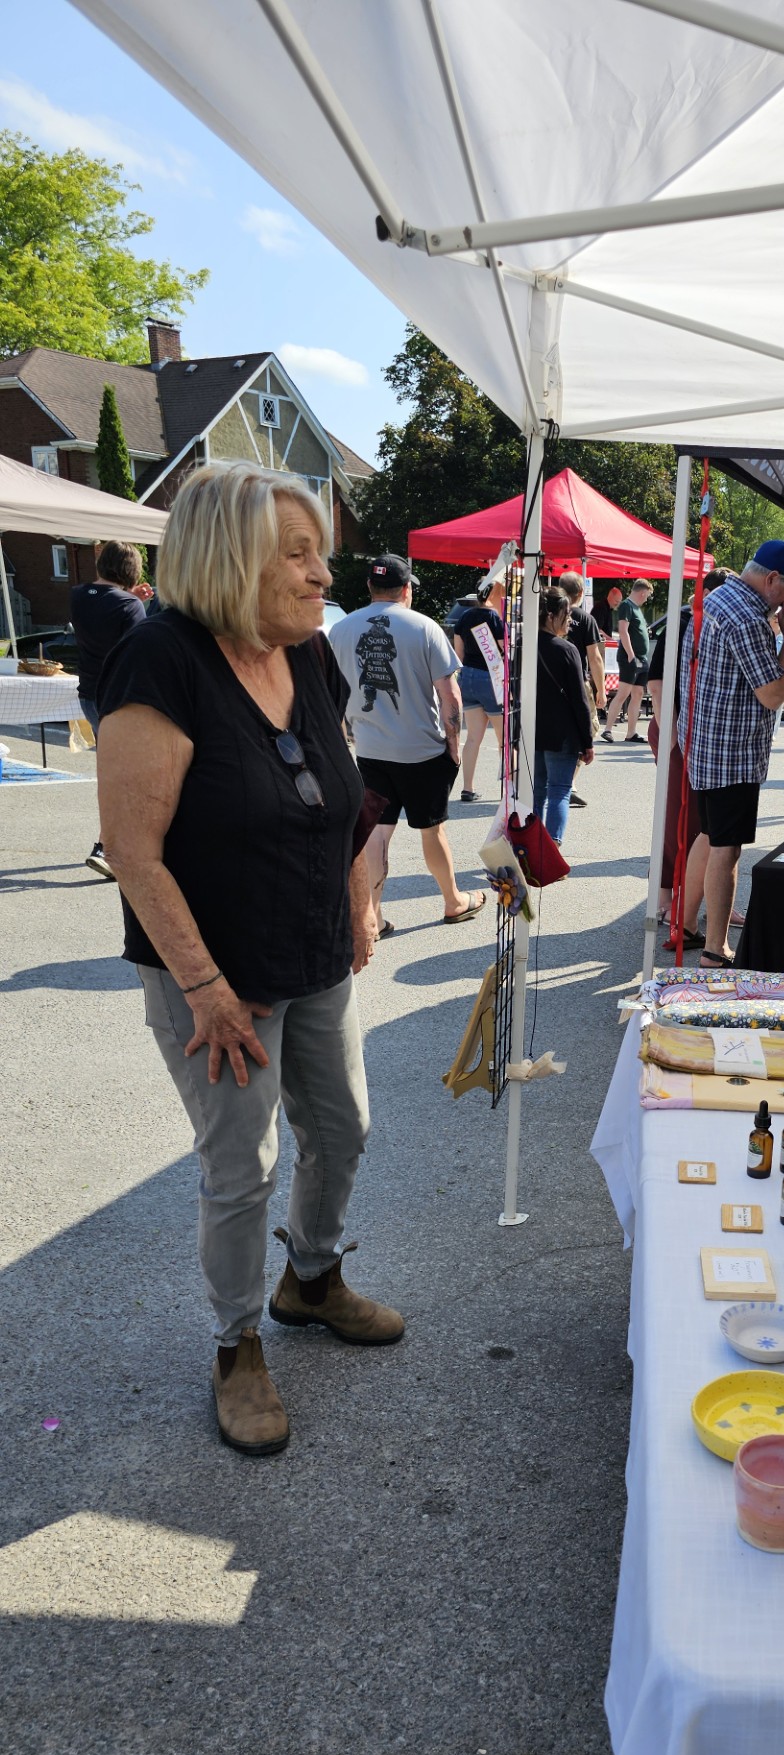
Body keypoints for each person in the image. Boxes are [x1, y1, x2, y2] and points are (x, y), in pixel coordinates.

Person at [96, 463, 399, 1457]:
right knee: (242, 1165)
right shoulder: (160, 663)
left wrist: (358, 901)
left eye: (322, 554)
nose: (323, 577)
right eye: (299, 556)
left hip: (311, 947)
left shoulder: (307, 654)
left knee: (344, 1126)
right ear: (231, 561)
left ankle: (310, 1280)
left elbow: (340, 794)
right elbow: (134, 853)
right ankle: (236, 1347)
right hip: (215, 975)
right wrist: (204, 987)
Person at [328, 555, 483, 930]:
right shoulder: (425, 628)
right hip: (421, 750)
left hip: (370, 750)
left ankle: (373, 917)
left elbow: (330, 694)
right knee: (431, 828)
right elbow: (451, 696)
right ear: (407, 588)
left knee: (378, 832)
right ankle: (453, 900)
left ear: (369, 587)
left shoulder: (340, 630)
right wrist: (454, 743)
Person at [678, 540, 784, 967]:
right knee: (727, 849)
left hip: (705, 744)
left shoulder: (719, 596)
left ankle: (687, 924)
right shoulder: (748, 617)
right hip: (730, 752)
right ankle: (716, 950)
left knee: (712, 838)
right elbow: (774, 694)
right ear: (772, 579)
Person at [648, 570, 728, 943]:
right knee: (680, 816)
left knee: (703, 819)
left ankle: (700, 901)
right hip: (677, 732)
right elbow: (659, 683)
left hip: (697, 734)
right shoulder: (681, 622)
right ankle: (668, 896)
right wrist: (672, 738)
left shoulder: (710, 623)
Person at [72, 541, 149, 880]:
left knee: (114, 770)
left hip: (89, 695)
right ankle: (108, 847)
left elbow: (105, 610)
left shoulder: (77, 595)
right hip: (119, 699)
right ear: (131, 572)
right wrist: (138, 603)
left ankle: (113, 845)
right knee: (125, 776)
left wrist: (135, 600)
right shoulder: (129, 606)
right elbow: (138, 655)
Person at [533, 585, 595, 843]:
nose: (570, 620)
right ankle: (552, 846)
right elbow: (580, 701)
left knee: (535, 792)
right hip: (563, 734)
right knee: (559, 791)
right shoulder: (567, 650)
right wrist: (588, 741)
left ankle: (531, 847)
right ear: (551, 615)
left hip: (531, 730)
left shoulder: (522, 645)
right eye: (566, 614)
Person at [451, 575, 507, 802]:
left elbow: (458, 655)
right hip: (490, 679)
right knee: (505, 740)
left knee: (473, 737)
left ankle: (467, 788)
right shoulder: (494, 619)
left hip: (468, 678)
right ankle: (508, 790)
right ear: (494, 591)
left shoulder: (464, 618)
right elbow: (504, 653)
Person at [558, 570, 605, 809]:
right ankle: (569, 782)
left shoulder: (547, 614)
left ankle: (559, 781)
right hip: (578, 682)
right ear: (580, 593)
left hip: (549, 681)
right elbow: (594, 657)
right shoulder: (585, 619)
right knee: (587, 727)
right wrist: (601, 689)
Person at [602, 579, 652, 742]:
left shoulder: (636, 608)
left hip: (641, 658)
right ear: (643, 592)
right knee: (623, 693)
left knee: (638, 693)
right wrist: (630, 654)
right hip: (631, 657)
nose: (647, 599)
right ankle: (608, 729)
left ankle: (631, 732)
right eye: (647, 595)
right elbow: (623, 630)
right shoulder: (626, 606)